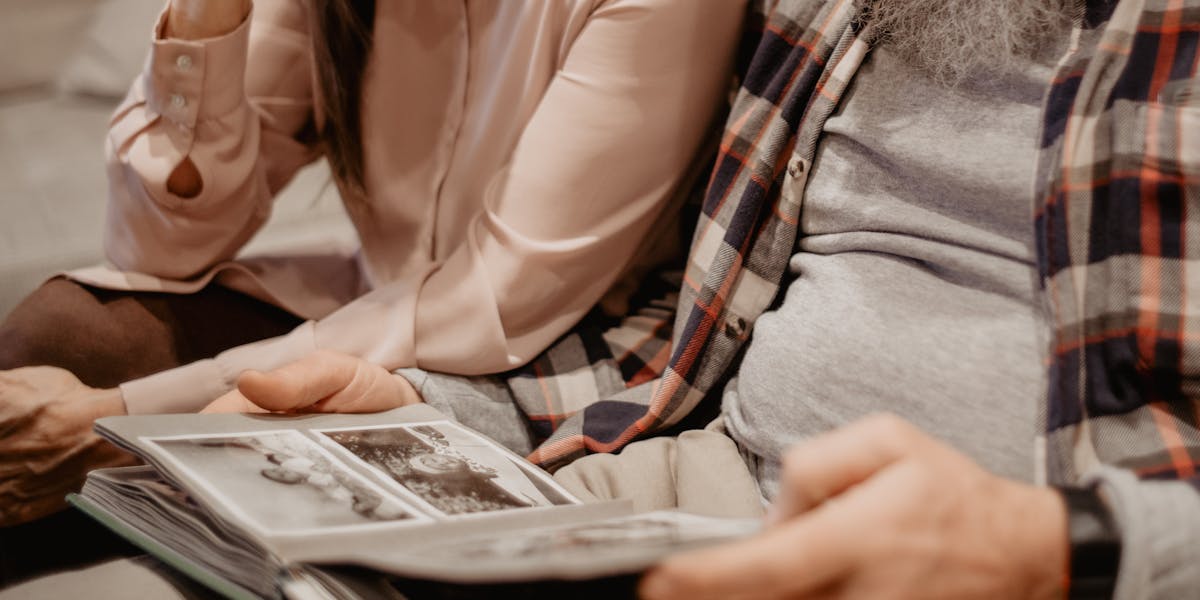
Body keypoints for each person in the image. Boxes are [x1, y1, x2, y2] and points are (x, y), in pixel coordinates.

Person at [5, 0, 1197, 597]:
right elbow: (692, 330)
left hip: (1030, 538)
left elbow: (507, 286)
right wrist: (420, 413)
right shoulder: (841, 13)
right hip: (687, 474)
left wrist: (1061, 549)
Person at [0, 0, 745, 568]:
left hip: (570, 351)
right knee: (63, 334)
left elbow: (495, 296)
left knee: (75, 389)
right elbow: (159, 243)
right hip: (391, 304)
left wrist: (125, 421)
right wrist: (205, 19)